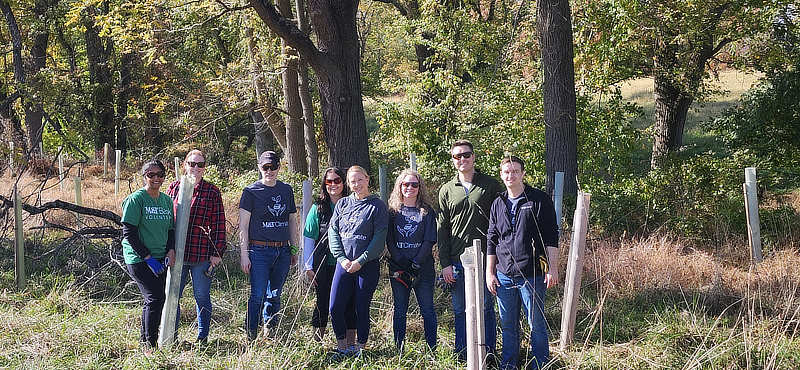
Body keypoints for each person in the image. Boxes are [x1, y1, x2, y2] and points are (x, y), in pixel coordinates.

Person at [486, 156, 559, 369]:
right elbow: (492, 239)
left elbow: (551, 237)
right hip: (504, 275)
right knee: (508, 326)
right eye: (507, 172)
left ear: (523, 173)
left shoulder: (538, 199)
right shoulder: (498, 202)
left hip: (532, 274)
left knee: (536, 325)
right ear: (501, 175)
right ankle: (509, 364)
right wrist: (490, 272)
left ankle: (540, 363)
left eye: (515, 171)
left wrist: (552, 268)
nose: (511, 175)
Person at [437, 139, 503, 360]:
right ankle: (463, 353)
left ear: (474, 157)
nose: (462, 159)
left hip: (486, 258)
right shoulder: (447, 189)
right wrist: (445, 263)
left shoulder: (490, 185)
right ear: (453, 160)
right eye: (457, 156)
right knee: (460, 308)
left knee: (485, 308)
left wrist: (498, 259)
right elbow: (442, 229)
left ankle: (488, 352)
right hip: (457, 260)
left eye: (466, 155)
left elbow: (500, 221)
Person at [166, 149, 226, 345]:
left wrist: (217, 253)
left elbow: (218, 223)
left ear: (204, 168)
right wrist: (167, 249)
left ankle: (202, 338)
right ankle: (170, 336)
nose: (196, 168)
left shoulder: (212, 191)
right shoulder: (174, 187)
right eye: (192, 163)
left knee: (201, 297)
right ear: (185, 165)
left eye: (200, 164)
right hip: (177, 255)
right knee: (172, 297)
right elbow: (166, 222)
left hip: (201, 254)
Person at [328, 165, 388, 356]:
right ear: (348, 183)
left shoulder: (377, 206)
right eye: (352, 181)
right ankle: (343, 347)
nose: (356, 184)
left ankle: (360, 349)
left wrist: (360, 261)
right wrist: (341, 258)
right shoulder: (342, 204)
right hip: (343, 264)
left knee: (361, 307)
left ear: (367, 179)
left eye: (360, 180)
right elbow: (333, 232)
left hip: (366, 265)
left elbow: (379, 238)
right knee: (335, 306)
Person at [238, 151, 299, 341]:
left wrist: (294, 249)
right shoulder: (250, 192)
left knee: (275, 294)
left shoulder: (286, 190)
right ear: (259, 167)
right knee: (257, 294)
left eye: (273, 167)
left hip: (282, 250)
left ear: (279, 168)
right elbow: (243, 226)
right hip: (259, 251)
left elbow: (292, 221)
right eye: (266, 167)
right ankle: (251, 334)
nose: (269, 171)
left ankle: (270, 330)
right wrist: (244, 255)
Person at [121, 159, 175, 349]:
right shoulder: (136, 200)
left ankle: (145, 340)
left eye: (160, 174)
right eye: (151, 175)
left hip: (161, 257)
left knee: (154, 299)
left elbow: (170, 230)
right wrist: (147, 258)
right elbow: (129, 233)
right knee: (155, 298)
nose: (156, 178)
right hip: (139, 258)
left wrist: (170, 250)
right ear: (144, 177)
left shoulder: (167, 201)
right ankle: (150, 346)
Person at [302, 167, 357, 345]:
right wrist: (308, 266)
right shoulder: (317, 208)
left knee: (349, 303)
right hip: (324, 264)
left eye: (337, 181)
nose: (333, 185)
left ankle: (349, 345)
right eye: (329, 181)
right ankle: (317, 343)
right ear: (324, 185)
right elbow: (309, 237)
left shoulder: (353, 205)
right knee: (322, 302)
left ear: (344, 183)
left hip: (348, 264)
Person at [386, 169, 438, 351]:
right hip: (399, 269)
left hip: (422, 269)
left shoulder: (427, 211)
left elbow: (430, 239)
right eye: (406, 184)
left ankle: (432, 349)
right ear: (399, 186)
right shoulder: (392, 211)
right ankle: (399, 350)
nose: (410, 187)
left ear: (419, 187)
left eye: (414, 184)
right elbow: (389, 239)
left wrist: (416, 263)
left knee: (427, 310)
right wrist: (401, 261)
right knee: (400, 311)